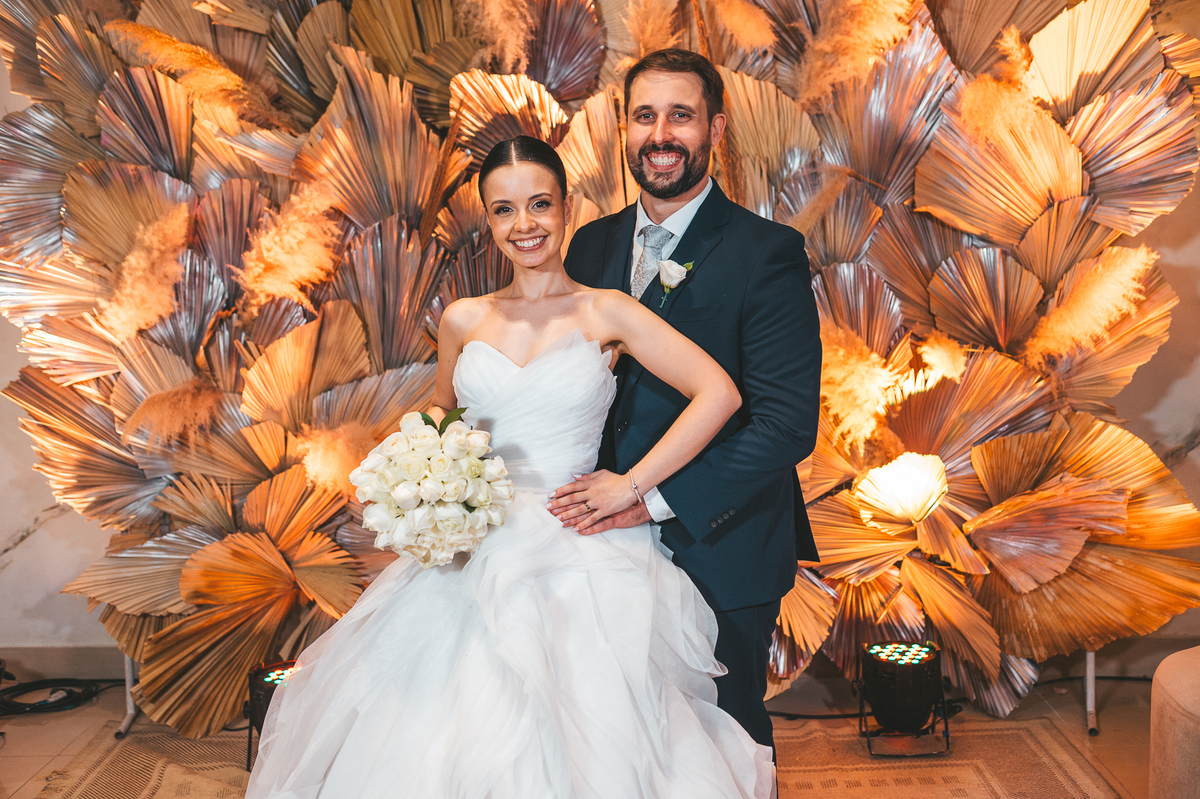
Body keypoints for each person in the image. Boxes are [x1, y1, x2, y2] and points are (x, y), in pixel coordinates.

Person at [243, 135, 776, 798]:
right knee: (438, 730)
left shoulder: (605, 309)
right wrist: (418, 482)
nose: (525, 224)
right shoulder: (464, 319)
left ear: (567, 207)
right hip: (475, 544)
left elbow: (719, 393)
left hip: (574, 545)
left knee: (586, 731)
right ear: (489, 220)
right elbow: (442, 419)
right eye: (504, 210)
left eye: (539, 204)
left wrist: (632, 485)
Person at [552, 48, 822, 752]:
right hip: (597, 546)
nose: (661, 134)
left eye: (681, 115)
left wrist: (653, 499)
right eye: (645, 116)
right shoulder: (589, 246)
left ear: (716, 129)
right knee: (619, 745)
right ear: (625, 129)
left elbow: (786, 425)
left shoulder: (768, 252)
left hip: (718, 544)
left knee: (722, 746)